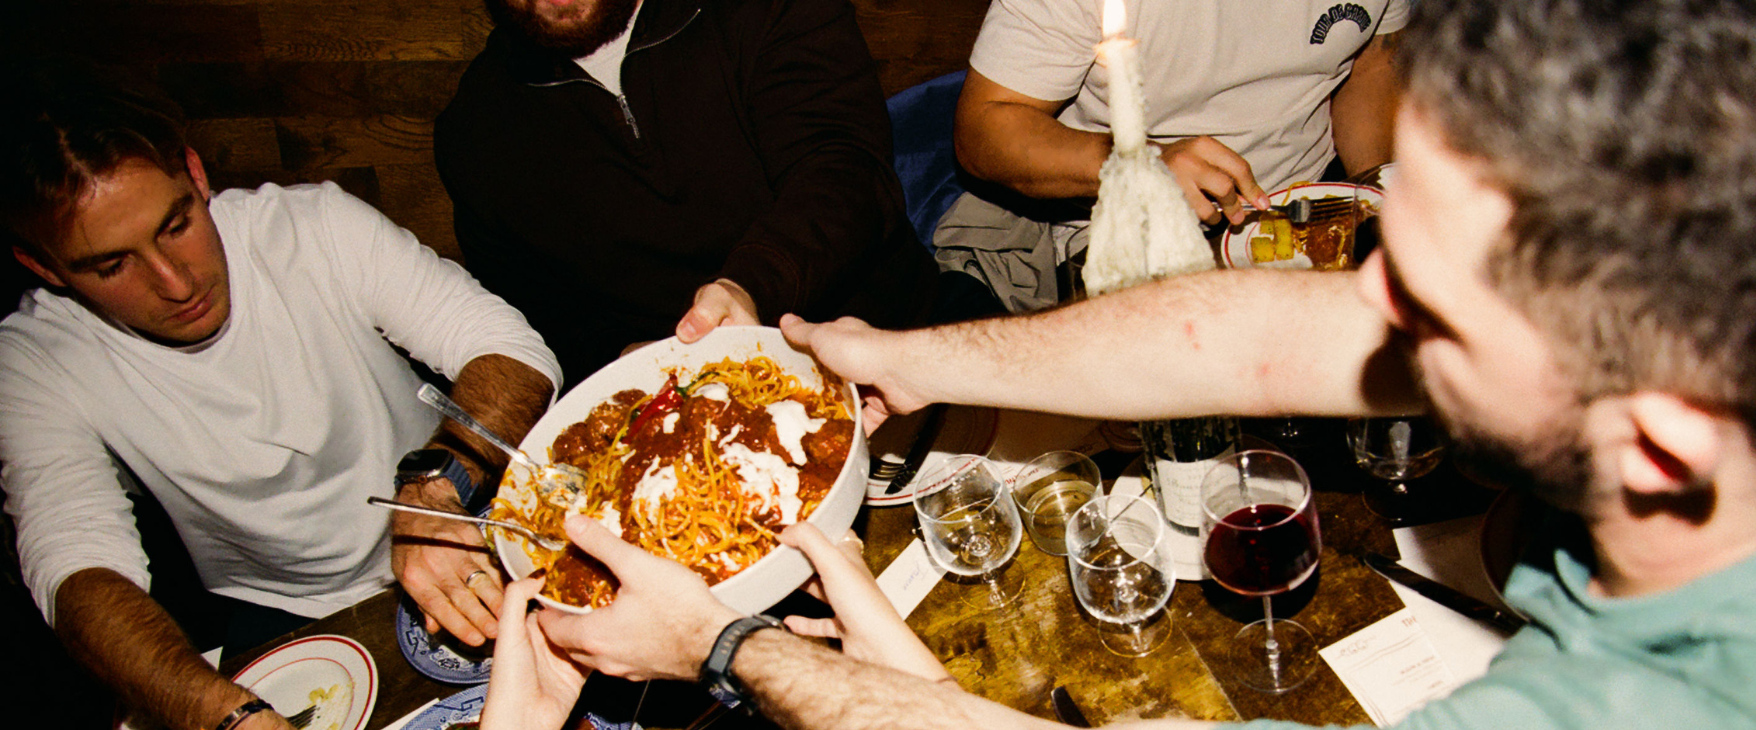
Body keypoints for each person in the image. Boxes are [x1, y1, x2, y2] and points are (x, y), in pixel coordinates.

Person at [476, 0, 1756, 728]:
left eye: (1424, 305)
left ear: (1660, 444)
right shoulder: (1719, 360)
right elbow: (1262, 325)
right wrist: (902, 351)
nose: (1368, 304)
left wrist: (730, 642)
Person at [0, 63, 561, 730]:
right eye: (112, 264)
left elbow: (514, 351)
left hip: (467, 515)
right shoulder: (33, 361)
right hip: (288, 613)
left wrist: (437, 486)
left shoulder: (312, 225)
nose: (175, 284)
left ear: (196, 174)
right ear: (43, 267)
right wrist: (230, 719)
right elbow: (76, 573)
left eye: (176, 224)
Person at [435, 0, 943, 387]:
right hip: (687, 412)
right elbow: (531, 315)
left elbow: (845, 169)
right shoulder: (474, 131)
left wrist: (747, 287)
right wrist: (618, 356)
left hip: (892, 342)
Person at [935, 0, 1407, 311]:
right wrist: (1137, 165)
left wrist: (1374, 190)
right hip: (1131, 237)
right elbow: (983, 128)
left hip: (1313, 207)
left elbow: (1371, 66)